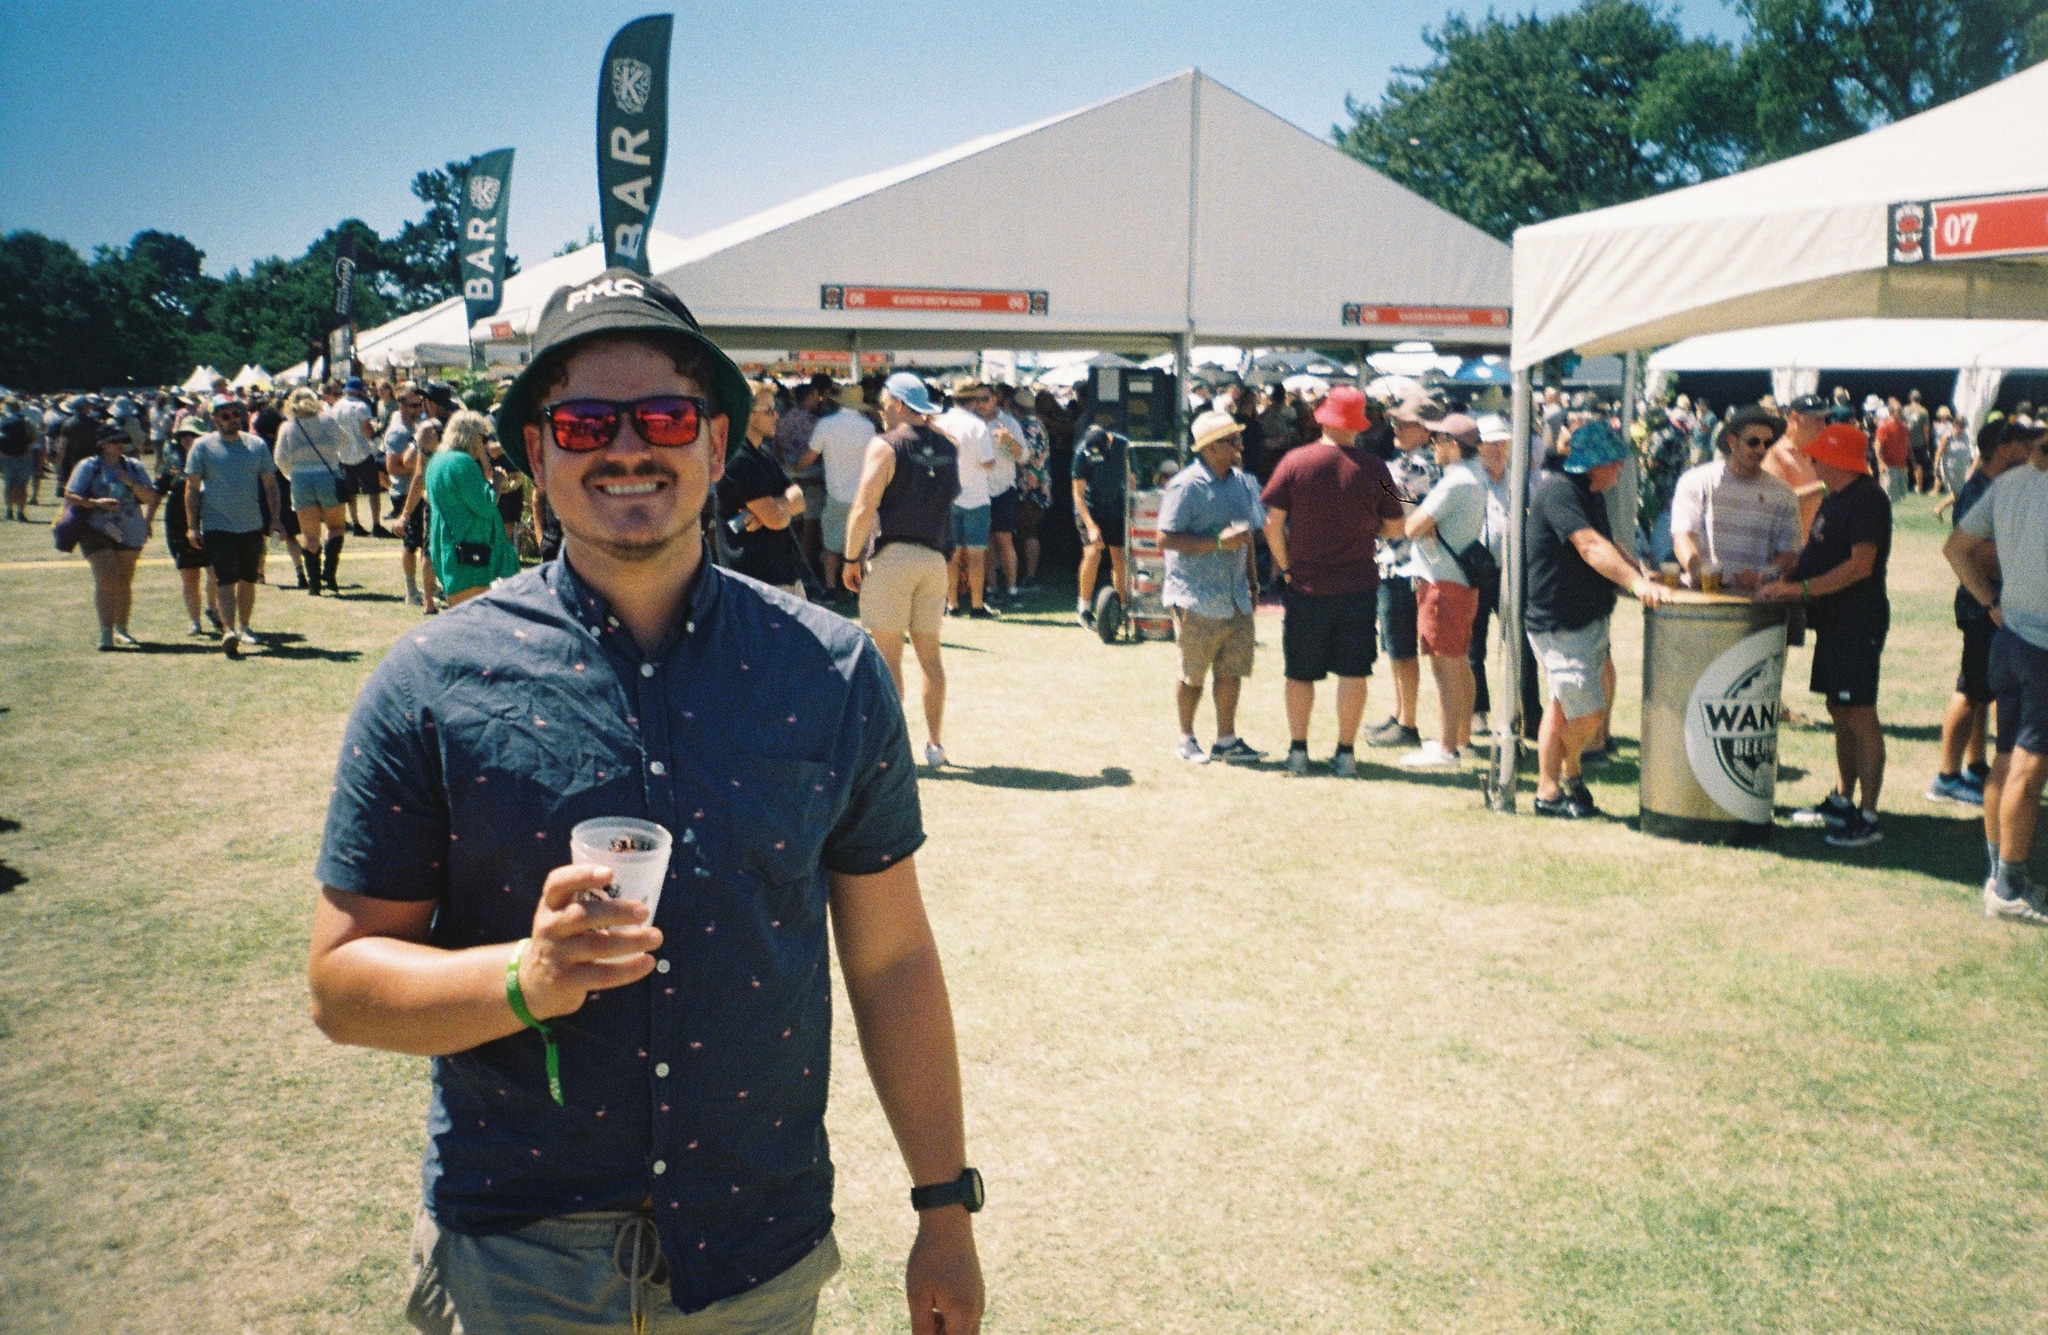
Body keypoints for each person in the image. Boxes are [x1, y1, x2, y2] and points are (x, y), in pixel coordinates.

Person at [309, 270, 983, 1335]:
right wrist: (521, 981)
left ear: (715, 447)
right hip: (517, 1258)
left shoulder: (832, 671)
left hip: (757, 1258)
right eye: (582, 421)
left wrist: (944, 1207)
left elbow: (892, 957)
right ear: (536, 456)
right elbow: (342, 983)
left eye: (665, 415)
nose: (627, 447)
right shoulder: (433, 678)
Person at [1260, 386, 1408, 777]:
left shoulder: (1294, 461)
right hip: (1359, 584)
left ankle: (1297, 751)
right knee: (1354, 671)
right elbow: (1397, 525)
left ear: (1323, 418)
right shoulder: (1377, 469)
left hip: (1306, 584)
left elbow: (1271, 523)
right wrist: (1367, 526)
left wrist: (1286, 567)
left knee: (1299, 672)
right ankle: (1345, 753)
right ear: (1360, 425)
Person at [1759, 424, 1894, 848]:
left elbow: (1859, 566)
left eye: (1818, 456)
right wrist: (1782, 573)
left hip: (1858, 621)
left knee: (1859, 713)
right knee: (1840, 710)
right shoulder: (1836, 498)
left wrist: (1797, 589)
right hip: (1836, 622)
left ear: (1838, 459)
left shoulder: (1868, 499)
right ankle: (1842, 799)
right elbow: (1817, 553)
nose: (1811, 462)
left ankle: (1868, 815)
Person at [1525, 421, 1668, 818]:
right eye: (1615, 465)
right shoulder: (1558, 492)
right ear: (1594, 464)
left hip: (1587, 619)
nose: (1620, 472)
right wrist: (1637, 587)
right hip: (1560, 623)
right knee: (1586, 712)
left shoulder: (1589, 492)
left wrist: (1638, 570)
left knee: (1568, 707)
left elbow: (1607, 542)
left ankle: (1555, 789)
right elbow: (1588, 546)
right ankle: (1557, 783)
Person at [1945, 417, 2048, 923]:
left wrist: (1992, 603)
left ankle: (2001, 876)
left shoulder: (2009, 483)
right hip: (2041, 648)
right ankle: (2007, 887)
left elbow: (1955, 549)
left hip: (2009, 640)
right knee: (2027, 771)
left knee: (2006, 761)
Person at [843, 372, 962, 767]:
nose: (880, 413)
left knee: (887, 659)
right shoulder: (949, 445)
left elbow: (863, 508)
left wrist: (849, 556)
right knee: (931, 659)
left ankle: (893, 751)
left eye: (881, 406)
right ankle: (935, 744)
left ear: (896, 404)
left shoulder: (885, 446)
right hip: (933, 560)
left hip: (893, 557)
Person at [1928, 419, 2036, 806]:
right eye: (2027, 446)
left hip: (1993, 606)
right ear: (2006, 449)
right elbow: (1975, 554)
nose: (2033, 454)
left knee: (1985, 689)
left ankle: (1975, 766)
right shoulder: (1979, 492)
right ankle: (1946, 776)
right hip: (1982, 607)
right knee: (1969, 690)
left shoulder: (1996, 487)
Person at [1159, 410, 1266, 765]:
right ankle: (1186, 738)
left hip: (1235, 596)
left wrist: (1252, 583)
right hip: (1195, 596)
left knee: (1232, 670)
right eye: (1232, 440)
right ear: (1210, 448)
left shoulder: (1244, 483)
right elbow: (1165, 538)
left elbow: (1247, 538)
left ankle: (1226, 739)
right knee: (1193, 674)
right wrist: (1217, 543)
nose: (1240, 445)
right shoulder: (1185, 485)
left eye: (1238, 438)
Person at [1399, 412, 1490, 769]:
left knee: (1445, 667)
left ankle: (1447, 747)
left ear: (1453, 445)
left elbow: (1413, 528)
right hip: (1460, 582)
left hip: (1442, 583)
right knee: (1458, 663)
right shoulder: (1475, 477)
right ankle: (1459, 737)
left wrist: (1414, 511)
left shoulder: (1455, 482)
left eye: (1438, 440)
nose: (1433, 446)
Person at [1365, 392, 1441, 750]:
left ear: (1426, 429)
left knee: (1401, 647)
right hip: (1399, 563)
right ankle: (1400, 715)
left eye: (1404, 422)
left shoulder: (1417, 466)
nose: (1395, 427)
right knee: (1396, 647)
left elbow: (1402, 508)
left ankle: (1407, 721)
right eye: (1395, 420)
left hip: (1406, 566)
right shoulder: (1408, 462)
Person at [184, 395, 285, 658]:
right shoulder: (202, 447)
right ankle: (229, 630)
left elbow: (270, 484)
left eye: (235, 414)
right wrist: (192, 525)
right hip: (217, 525)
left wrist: (275, 518)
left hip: (251, 524)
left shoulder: (256, 445)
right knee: (225, 579)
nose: (232, 420)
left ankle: (245, 626)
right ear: (214, 419)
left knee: (248, 579)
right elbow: (192, 489)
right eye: (225, 415)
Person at [1669, 404, 1803, 591]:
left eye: (1767, 443)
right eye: (1753, 442)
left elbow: (1790, 552)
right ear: (1732, 442)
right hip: (1706, 594)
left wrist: (1761, 576)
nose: (1762, 450)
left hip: (1757, 602)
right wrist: (1699, 571)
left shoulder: (1783, 493)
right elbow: (1682, 536)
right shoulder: (1696, 481)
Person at [65, 421, 159, 650]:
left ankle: (122, 628)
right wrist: (96, 502)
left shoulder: (134, 467)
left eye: (122, 442)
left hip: (130, 528)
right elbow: (70, 495)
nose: (119, 446)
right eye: (114, 442)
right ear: (103, 444)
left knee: (124, 581)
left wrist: (130, 483)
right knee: (107, 578)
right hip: (96, 529)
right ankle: (106, 632)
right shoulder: (88, 466)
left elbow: (150, 498)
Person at [718, 382, 808, 597]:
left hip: (782, 577)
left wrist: (768, 509)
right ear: (746, 414)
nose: (777, 415)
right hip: (756, 584)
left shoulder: (763, 453)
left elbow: (800, 499)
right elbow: (777, 520)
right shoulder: (737, 458)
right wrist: (778, 511)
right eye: (769, 410)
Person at [274, 386, 354, 596]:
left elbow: (280, 459)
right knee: (336, 527)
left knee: (309, 535)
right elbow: (345, 441)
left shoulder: (287, 427)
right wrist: (331, 455)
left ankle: (314, 584)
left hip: (300, 479)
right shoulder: (326, 420)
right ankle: (329, 573)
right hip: (328, 476)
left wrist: (293, 475)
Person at [153, 411, 218, 636]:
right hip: (179, 521)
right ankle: (195, 621)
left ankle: (212, 608)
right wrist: (147, 519)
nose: (187, 440)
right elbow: (158, 491)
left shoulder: (215, 459)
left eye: (193, 435)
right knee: (189, 574)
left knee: (216, 571)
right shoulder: (171, 461)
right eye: (184, 436)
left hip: (211, 517)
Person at [936, 382, 997, 618]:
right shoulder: (978, 425)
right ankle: (976, 604)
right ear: (972, 401)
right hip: (976, 497)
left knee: (950, 555)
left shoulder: (940, 423)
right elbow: (987, 461)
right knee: (976, 556)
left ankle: (951, 604)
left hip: (947, 497)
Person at [810, 382, 876, 600]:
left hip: (836, 493)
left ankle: (830, 588)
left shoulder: (826, 424)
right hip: (862, 495)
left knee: (831, 545)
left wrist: (794, 467)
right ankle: (860, 588)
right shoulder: (868, 427)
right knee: (862, 545)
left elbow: (810, 456)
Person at [964, 382, 1026, 604]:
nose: (980, 404)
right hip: (978, 490)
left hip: (1003, 489)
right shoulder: (970, 423)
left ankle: (1012, 589)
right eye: (976, 399)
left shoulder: (1008, 422)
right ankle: (991, 589)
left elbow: (1023, 457)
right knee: (985, 542)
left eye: (985, 399)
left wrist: (1008, 441)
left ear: (995, 399)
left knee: (1004, 540)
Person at [397, 384, 457, 613]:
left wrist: (405, 514)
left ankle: (429, 601)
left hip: (435, 497)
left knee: (430, 550)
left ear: (429, 403)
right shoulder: (458, 424)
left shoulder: (428, 430)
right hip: (458, 493)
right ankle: (453, 593)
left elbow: (419, 473)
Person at [1070, 422, 1130, 626]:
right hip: (1090, 509)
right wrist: (1091, 525)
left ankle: (1122, 607)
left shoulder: (1124, 447)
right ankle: (1084, 609)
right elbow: (1077, 494)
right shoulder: (1082, 452)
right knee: (1093, 553)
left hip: (1117, 508)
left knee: (1119, 556)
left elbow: (1132, 479)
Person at [1766, 394, 1830, 537]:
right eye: (1817, 419)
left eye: (1824, 420)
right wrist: (1824, 487)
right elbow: (1774, 504)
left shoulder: (1811, 453)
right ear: (1795, 417)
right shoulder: (1776, 454)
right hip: (1785, 550)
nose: (1823, 426)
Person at [1007, 386, 1052, 588]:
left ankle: (1030, 575)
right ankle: (1027, 573)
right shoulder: (1036, 423)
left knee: (1028, 531)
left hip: (1031, 488)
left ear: (1015, 406)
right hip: (1037, 486)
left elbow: (1028, 457)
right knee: (1027, 531)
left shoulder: (1029, 426)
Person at [326, 377, 382, 537]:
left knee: (351, 492)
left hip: (342, 454)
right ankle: (376, 524)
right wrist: (376, 433)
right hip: (362, 452)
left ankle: (356, 522)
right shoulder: (361, 406)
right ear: (358, 391)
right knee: (373, 490)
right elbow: (367, 431)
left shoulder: (336, 407)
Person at [0, 397, 35, 520]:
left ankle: (9, 511)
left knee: (8, 484)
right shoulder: (25, 421)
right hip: (24, 455)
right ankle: (20, 512)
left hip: (5, 457)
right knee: (22, 485)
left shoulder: (1, 420)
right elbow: (34, 437)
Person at [1875, 402, 1912, 502]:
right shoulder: (1884, 427)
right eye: (1898, 410)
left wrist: (1913, 463)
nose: (1901, 412)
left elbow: (1907, 445)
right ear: (1891, 412)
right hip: (1889, 466)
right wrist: (1881, 462)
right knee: (1890, 496)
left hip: (1902, 466)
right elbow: (1878, 446)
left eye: (1901, 410)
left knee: (1902, 496)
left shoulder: (1904, 426)